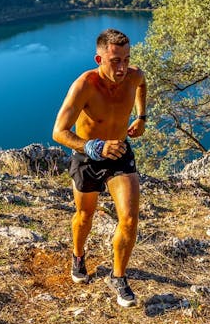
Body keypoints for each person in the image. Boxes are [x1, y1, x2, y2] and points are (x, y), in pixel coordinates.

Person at [52, 28, 147, 307]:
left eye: (126, 59)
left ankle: (118, 276)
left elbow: (142, 84)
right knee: (85, 216)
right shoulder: (85, 85)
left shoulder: (133, 76)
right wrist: (93, 147)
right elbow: (58, 132)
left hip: (119, 153)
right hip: (87, 157)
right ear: (99, 59)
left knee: (129, 218)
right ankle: (78, 255)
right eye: (115, 61)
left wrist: (141, 117)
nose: (122, 68)